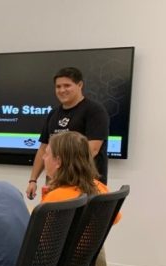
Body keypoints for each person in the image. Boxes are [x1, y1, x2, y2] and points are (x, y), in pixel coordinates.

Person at [41, 131, 121, 266]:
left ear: (58, 161)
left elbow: (41, 242)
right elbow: (115, 218)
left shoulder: (57, 197)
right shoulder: (100, 187)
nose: (43, 158)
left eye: (47, 154)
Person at [27, 67, 110, 200]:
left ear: (80, 85)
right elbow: (44, 148)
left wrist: (62, 170)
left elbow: (92, 149)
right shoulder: (53, 114)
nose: (62, 90)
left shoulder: (95, 111)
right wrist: (33, 180)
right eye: (58, 86)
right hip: (56, 186)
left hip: (86, 186)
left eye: (67, 85)